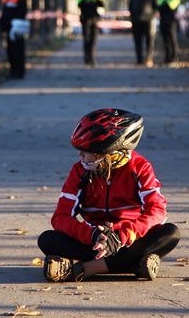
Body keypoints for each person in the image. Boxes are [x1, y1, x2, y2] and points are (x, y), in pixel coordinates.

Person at [37, 108, 180, 282]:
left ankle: (87, 268)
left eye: (86, 150)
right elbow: (60, 217)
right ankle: (134, 265)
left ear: (109, 152)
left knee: (170, 233)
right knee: (47, 240)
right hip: (94, 242)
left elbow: (157, 211)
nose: (80, 155)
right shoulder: (79, 171)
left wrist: (122, 235)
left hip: (127, 240)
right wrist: (91, 234)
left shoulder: (140, 167)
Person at [0, 0, 28, 78]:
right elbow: (4, 11)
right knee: (11, 51)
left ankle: (19, 71)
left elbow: (21, 11)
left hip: (17, 27)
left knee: (18, 49)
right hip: (8, 27)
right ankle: (13, 71)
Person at [128, 0, 157, 66]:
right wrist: (133, 16)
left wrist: (152, 15)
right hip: (136, 20)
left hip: (149, 20)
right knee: (138, 41)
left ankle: (148, 59)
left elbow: (155, 5)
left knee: (149, 41)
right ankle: (139, 59)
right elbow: (130, 5)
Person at [76, 0, 104, 66]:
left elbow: (102, 5)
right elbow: (79, 5)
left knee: (93, 41)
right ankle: (87, 60)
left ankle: (92, 59)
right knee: (86, 41)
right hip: (85, 21)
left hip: (94, 21)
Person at [157, 0, 181, 65]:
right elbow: (158, 5)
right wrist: (163, 4)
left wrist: (164, 5)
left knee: (172, 39)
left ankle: (174, 57)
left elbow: (170, 6)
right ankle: (168, 58)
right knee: (166, 40)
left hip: (171, 21)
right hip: (163, 20)